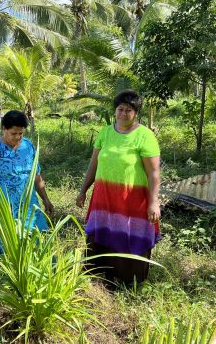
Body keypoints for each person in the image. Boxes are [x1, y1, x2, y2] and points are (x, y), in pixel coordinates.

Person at [76, 90, 161, 285]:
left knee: (130, 235)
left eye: (128, 110)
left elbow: (153, 173)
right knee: (102, 233)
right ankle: (99, 276)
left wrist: (154, 203)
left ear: (136, 113)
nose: (123, 114)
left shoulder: (144, 136)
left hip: (132, 200)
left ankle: (128, 282)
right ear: (115, 110)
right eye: (120, 109)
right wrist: (83, 190)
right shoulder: (105, 132)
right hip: (104, 198)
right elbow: (94, 164)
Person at [0, 110, 54, 252]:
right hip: (5, 207)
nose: (18, 137)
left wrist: (46, 199)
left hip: (29, 205)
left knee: (37, 244)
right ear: (4, 129)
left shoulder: (28, 146)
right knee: (7, 245)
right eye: (14, 134)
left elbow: (36, 175)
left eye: (21, 133)